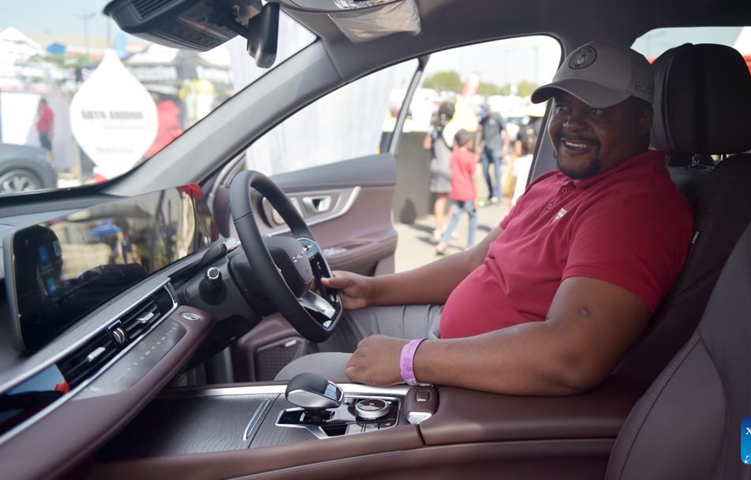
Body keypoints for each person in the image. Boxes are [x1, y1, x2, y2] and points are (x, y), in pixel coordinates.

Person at [282, 40, 693, 396]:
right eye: (563, 107)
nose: (571, 124)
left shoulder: (635, 210)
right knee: (336, 320)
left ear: (642, 120)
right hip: (450, 339)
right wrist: (373, 289)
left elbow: (572, 356)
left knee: (295, 381)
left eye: (596, 112)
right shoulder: (557, 182)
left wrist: (410, 360)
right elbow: (473, 262)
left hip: (478, 382)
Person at [436, 130, 479, 255]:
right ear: (466, 142)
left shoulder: (454, 154)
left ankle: (443, 243)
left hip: (455, 192)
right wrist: (476, 197)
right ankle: (470, 245)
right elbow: (473, 178)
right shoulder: (471, 157)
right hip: (468, 193)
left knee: (455, 218)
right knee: (473, 217)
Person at [423, 102, 456, 241]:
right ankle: (449, 228)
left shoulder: (433, 128)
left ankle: (438, 228)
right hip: (449, 165)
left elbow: (426, 145)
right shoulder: (452, 128)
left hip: (436, 164)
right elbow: (455, 147)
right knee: (452, 199)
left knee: (439, 199)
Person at [505, 102, 545, 206]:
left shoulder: (522, 129)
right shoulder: (544, 128)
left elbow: (517, 150)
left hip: (522, 160)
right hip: (538, 161)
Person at [477, 103, 510, 204]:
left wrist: (505, 148)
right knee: (485, 171)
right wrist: (479, 146)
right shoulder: (484, 119)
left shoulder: (497, 117)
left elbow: (506, 132)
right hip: (486, 148)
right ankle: (491, 193)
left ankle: (498, 195)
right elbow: (482, 133)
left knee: (497, 172)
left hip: (496, 148)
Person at [36, 99, 54, 163]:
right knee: (43, 149)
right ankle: (45, 162)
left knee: (48, 149)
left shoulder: (48, 111)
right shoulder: (42, 111)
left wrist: (50, 132)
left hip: (45, 132)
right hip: (41, 132)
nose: (40, 105)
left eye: (41, 103)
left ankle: (50, 162)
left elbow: (50, 122)